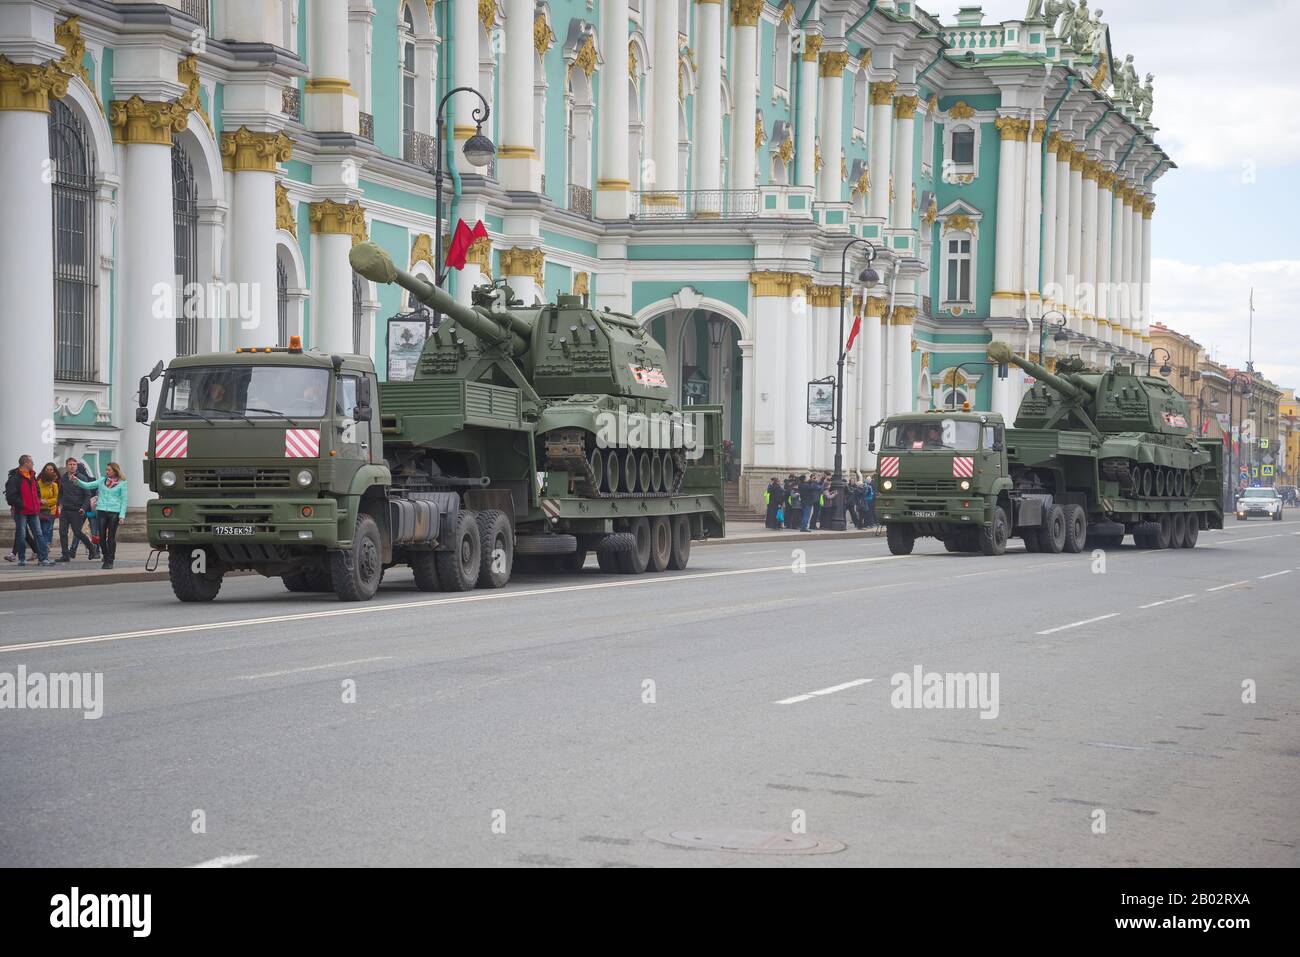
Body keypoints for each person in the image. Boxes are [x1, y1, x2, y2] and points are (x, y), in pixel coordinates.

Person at [72, 461, 127, 569]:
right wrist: (77, 481)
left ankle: (110, 560)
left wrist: (122, 516)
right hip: (101, 511)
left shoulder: (122, 483)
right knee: (101, 538)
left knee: (110, 537)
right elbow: (88, 485)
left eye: (109, 470)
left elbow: (124, 500)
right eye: (106, 470)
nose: (106, 472)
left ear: (115, 471)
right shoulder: (102, 480)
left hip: (114, 512)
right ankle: (106, 556)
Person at [5, 454, 54, 566]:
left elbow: (37, 491)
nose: (33, 464)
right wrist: (23, 505)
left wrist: (36, 502)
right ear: (26, 463)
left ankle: (43, 558)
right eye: (31, 462)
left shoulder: (32, 476)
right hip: (21, 512)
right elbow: (11, 497)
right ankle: (22, 559)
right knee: (21, 535)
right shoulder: (15, 478)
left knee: (39, 534)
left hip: (33, 511)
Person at [57, 457, 98, 562]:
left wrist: (83, 508)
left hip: (77, 510)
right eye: (70, 464)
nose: (72, 466)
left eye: (74, 464)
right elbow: (60, 493)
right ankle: (65, 555)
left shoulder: (82, 478)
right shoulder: (64, 478)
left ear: (76, 466)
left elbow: (87, 495)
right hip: (65, 510)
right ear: (66, 466)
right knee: (62, 532)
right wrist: (60, 503)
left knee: (77, 532)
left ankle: (92, 548)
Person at [36, 461, 60, 554]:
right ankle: (40, 548)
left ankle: (45, 548)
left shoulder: (54, 485)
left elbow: (56, 499)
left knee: (46, 530)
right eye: (47, 469)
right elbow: (35, 495)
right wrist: (39, 500)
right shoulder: (38, 483)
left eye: (51, 469)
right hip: (38, 510)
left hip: (50, 511)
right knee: (39, 531)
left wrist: (46, 501)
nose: (49, 471)